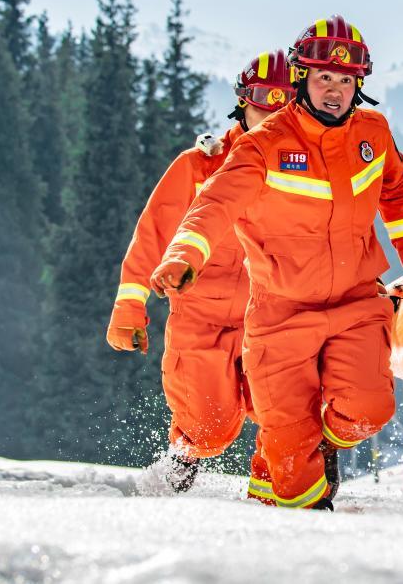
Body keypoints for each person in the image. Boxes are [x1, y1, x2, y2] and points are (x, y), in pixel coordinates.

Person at [150, 16, 403, 510]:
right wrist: (183, 256)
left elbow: (397, 188)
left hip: (356, 305)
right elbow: (213, 205)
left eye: (346, 80)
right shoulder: (263, 145)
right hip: (280, 317)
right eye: (325, 77)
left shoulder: (373, 132)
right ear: (302, 78)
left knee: (368, 410)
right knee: (292, 477)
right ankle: (287, 526)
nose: (335, 90)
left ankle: (325, 442)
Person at [105, 50, 295, 491]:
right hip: (200, 321)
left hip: (268, 318)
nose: (271, 117)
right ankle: (181, 462)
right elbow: (152, 235)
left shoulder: (300, 173)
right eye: (263, 103)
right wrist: (129, 307)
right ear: (242, 102)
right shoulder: (198, 166)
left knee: (286, 410)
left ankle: (284, 486)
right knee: (208, 426)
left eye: (283, 107)